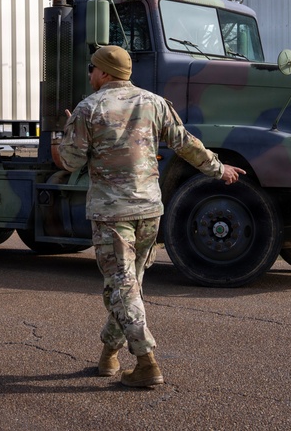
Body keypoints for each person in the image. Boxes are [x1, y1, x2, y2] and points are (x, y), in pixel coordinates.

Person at [58, 45, 245, 388]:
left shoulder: (89, 108)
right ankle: (108, 356)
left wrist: (65, 134)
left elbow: (69, 161)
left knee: (122, 287)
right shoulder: (155, 103)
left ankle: (146, 362)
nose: (89, 75)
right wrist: (219, 169)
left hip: (113, 214)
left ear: (103, 73)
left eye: (91, 69)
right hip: (149, 210)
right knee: (129, 286)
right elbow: (186, 143)